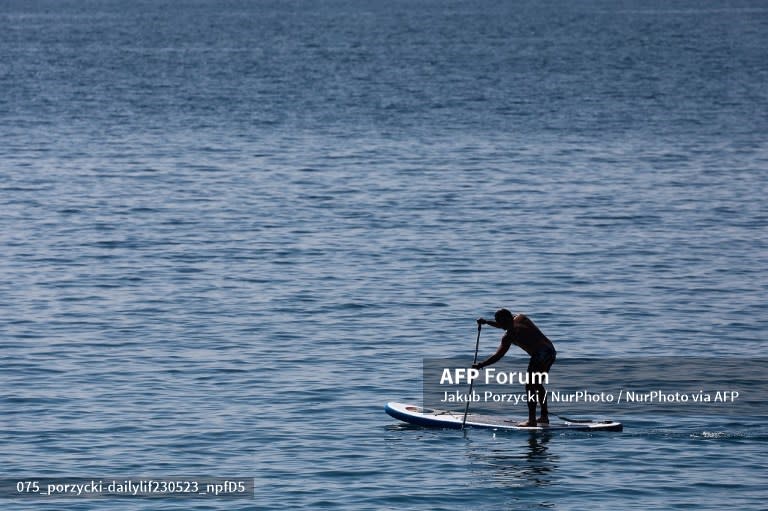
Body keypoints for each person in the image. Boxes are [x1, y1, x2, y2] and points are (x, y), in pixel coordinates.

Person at [474, 309, 556, 427]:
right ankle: (544, 417)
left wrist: (481, 365)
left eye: (503, 322)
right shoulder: (521, 318)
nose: (503, 325)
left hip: (540, 355)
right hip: (551, 351)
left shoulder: (509, 336)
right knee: (537, 385)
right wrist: (487, 322)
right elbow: (504, 325)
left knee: (530, 386)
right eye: (501, 323)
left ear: (508, 318)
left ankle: (532, 421)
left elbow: (498, 355)